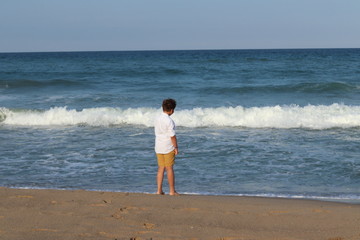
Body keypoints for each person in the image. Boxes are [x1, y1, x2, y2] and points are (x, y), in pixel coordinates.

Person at [154, 99, 179, 196]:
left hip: (158, 146)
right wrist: (176, 147)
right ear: (172, 110)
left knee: (161, 168)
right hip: (168, 147)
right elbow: (172, 136)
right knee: (169, 169)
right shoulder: (169, 121)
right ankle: (172, 191)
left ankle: (159, 190)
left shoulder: (157, 118)